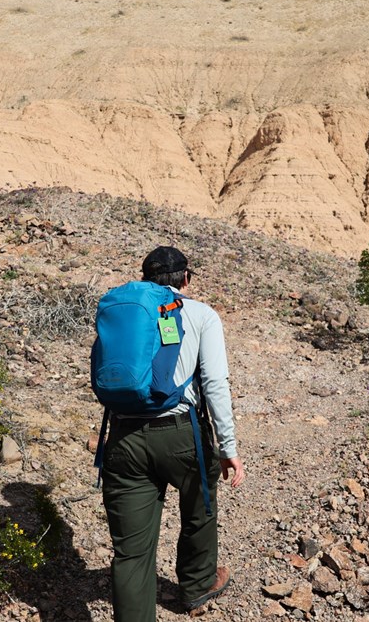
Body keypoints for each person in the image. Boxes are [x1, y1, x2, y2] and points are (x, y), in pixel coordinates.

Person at [100, 246, 245, 621]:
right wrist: (228, 446)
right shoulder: (200, 314)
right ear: (186, 279)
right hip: (183, 435)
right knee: (199, 508)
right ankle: (197, 585)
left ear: (146, 279)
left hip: (123, 438)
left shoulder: (127, 313)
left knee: (131, 553)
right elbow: (215, 383)